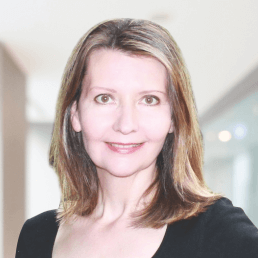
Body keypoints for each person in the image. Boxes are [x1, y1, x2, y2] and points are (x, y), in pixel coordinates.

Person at [16, 18, 258, 258]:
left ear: (173, 118)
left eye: (149, 99)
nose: (126, 124)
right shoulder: (36, 235)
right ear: (75, 114)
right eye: (104, 98)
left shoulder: (218, 230)